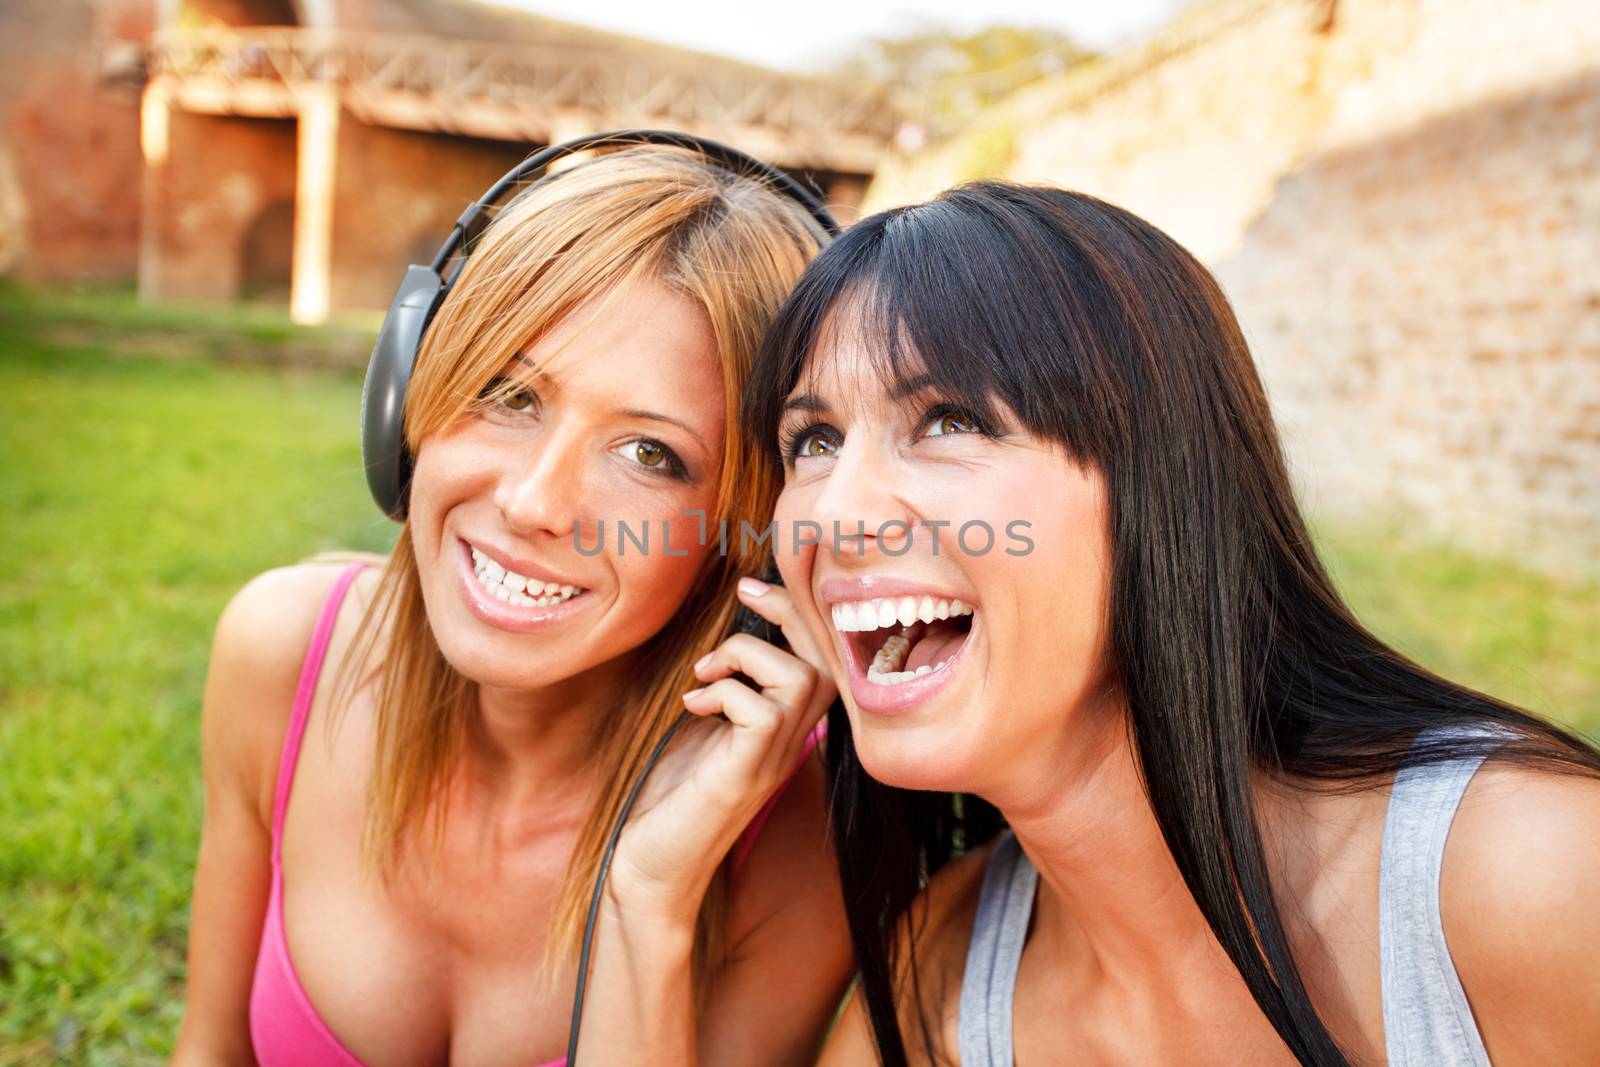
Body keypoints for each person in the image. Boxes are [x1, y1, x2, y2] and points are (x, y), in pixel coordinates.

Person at [742, 181, 1600, 1066]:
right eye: (813, 441)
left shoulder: (1529, 873)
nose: (834, 516)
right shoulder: (944, 975)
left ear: (1163, 486)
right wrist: (647, 898)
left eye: (949, 419)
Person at [170, 145, 852, 1066]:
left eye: (650, 454)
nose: (534, 501)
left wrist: (647, 901)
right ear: (411, 383)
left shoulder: (795, 834)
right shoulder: (283, 651)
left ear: (750, 532)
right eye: (508, 392)